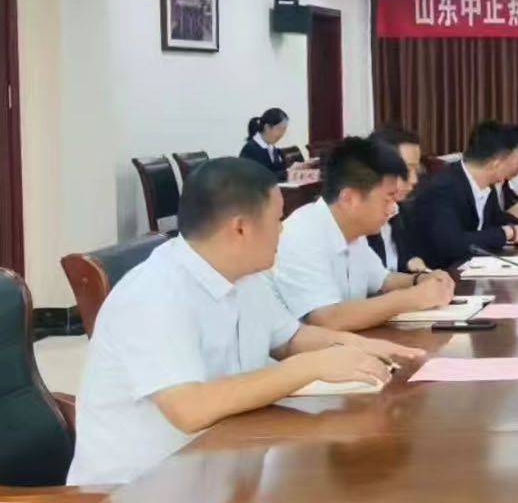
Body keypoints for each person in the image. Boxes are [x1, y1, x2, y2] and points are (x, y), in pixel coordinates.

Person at [66, 158, 424, 486]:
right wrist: (311, 367)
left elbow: (291, 339)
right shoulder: (156, 293)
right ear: (240, 228)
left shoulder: (247, 276)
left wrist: (366, 348)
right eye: (277, 219)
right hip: (139, 488)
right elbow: (189, 408)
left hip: (221, 466)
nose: (283, 231)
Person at [272, 137, 459, 332]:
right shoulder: (303, 233)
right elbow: (327, 319)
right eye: (387, 199)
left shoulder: (353, 232)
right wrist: (412, 298)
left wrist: (420, 280)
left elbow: (382, 280)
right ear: (349, 198)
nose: (393, 209)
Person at [408, 121, 518, 268]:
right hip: (444, 274)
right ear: (497, 162)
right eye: (517, 163)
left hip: (476, 268)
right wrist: (511, 233)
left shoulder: (486, 185)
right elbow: (452, 244)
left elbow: (496, 218)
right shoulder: (442, 188)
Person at [366, 125, 428, 273]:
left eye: (415, 169)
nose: (414, 180)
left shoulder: (402, 211)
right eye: (406, 170)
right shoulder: (357, 222)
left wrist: (412, 263)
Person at [238, 107, 295, 181]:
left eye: (284, 129)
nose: (282, 134)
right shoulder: (250, 149)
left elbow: (277, 171)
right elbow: (260, 178)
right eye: (279, 129)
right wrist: (287, 173)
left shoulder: (272, 148)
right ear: (267, 127)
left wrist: (294, 169)